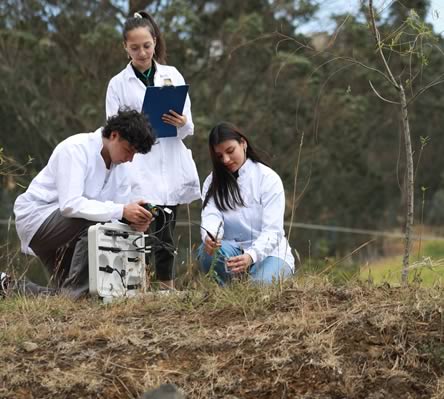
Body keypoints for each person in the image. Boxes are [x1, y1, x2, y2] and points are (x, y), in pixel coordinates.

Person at [11, 109, 156, 299]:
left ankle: (7, 286)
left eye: (135, 154)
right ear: (114, 135)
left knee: (80, 297)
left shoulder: (121, 169)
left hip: (73, 230)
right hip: (37, 219)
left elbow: (115, 217)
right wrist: (122, 210)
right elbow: (71, 205)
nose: (130, 159)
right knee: (93, 222)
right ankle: (73, 295)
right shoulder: (76, 148)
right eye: (129, 150)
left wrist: (134, 221)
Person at [105, 11, 200, 290]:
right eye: (135, 47)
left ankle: (166, 287)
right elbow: (112, 128)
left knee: (167, 231)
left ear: (155, 42)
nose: (142, 52)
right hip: (139, 164)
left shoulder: (171, 75)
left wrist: (181, 122)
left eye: (147, 46)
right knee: (141, 226)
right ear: (125, 47)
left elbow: (188, 126)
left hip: (169, 161)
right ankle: (137, 287)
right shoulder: (117, 84)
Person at [198, 122, 295, 284]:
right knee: (207, 254)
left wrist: (252, 256)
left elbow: (273, 231)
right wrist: (211, 237)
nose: (226, 160)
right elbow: (211, 215)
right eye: (219, 156)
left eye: (230, 151)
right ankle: (231, 288)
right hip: (232, 251)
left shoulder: (268, 178)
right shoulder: (212, 181)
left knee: (258, 287)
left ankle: (254, 280)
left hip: (271, 253)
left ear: (243, 143)